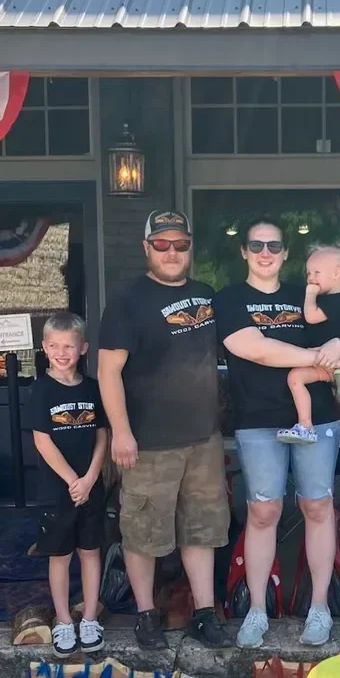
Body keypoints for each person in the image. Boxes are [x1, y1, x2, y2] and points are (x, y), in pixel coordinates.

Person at [213, 220, 340, 651]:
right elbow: (252, 347)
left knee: (317, 507)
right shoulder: (231, 299)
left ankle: (319, 608)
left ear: (286, 252)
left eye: (274, 244)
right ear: (244, 252)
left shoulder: (307, 291)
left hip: (318, 417)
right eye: (256, 244)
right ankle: (257, 609)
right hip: (257, 418)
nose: (265, 251)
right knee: (263, 512)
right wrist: (319, 355)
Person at [98, 210, 232, 652]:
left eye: (180, 244)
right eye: (162, 244)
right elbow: (108, 371)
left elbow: (247, 347)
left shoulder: (208, 296)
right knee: (143, 533)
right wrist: (120, 431)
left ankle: (205, 613)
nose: (172, 252)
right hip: (148, 443)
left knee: (202, 529)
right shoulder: (127, 303)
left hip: (203, 439)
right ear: (147, 248)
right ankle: (145, 615)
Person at [28, 312, 108, 658]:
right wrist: (72, 480)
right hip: (56, 489)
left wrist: (90, 478)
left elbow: (103, 435)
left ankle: (89, 617)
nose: (63, 353)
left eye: (70, 347)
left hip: (90, 486)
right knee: (59, 555)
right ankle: (63, 620)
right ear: (45, 348)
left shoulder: (93, 388)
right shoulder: (41, 390)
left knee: (90, 551)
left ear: (83, 348)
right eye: (55, 346)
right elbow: (43, 441)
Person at [278, 243, 340, 445]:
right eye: (308, 273)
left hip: (327, 361)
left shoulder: (337, 301)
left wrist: (310, 295)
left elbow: (311, 317)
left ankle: (305, 425)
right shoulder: (336, 300)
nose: (310, 278)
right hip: (325, 358)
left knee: (295, 377)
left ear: (336, 273)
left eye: (316, 272)